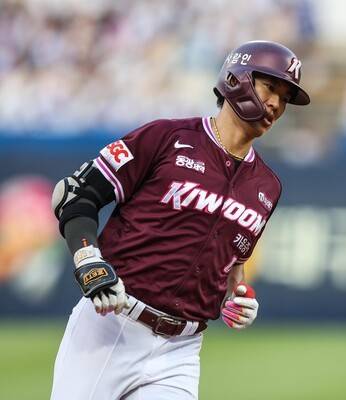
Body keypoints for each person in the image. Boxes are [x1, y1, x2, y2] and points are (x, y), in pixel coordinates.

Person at [49, 40, 310, 400]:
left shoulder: (267, 186)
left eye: (285, 97)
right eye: (270, 87)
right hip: (112, 326)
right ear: (237, 79)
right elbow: (74, 194)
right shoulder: (167, 137)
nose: (276, 104)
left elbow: (233, 264)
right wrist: (87, 258)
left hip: (181, 350)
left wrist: (236, 297)